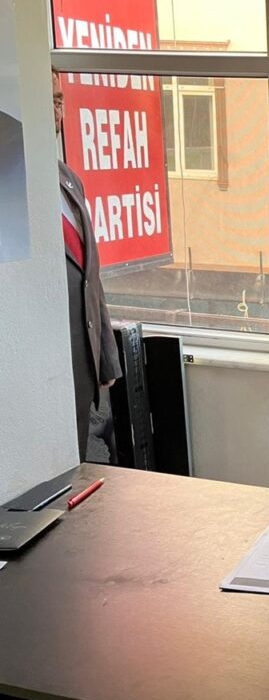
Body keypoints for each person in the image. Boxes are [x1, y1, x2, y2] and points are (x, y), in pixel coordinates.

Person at [52, 67, 122, 461]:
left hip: (81, 366)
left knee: (78, 470)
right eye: (45, 101)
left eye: (58, 101)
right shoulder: (14, 184)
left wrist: (106, 357)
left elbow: (90, 279)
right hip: (43, 366)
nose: (55, 112)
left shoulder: (68, 180)